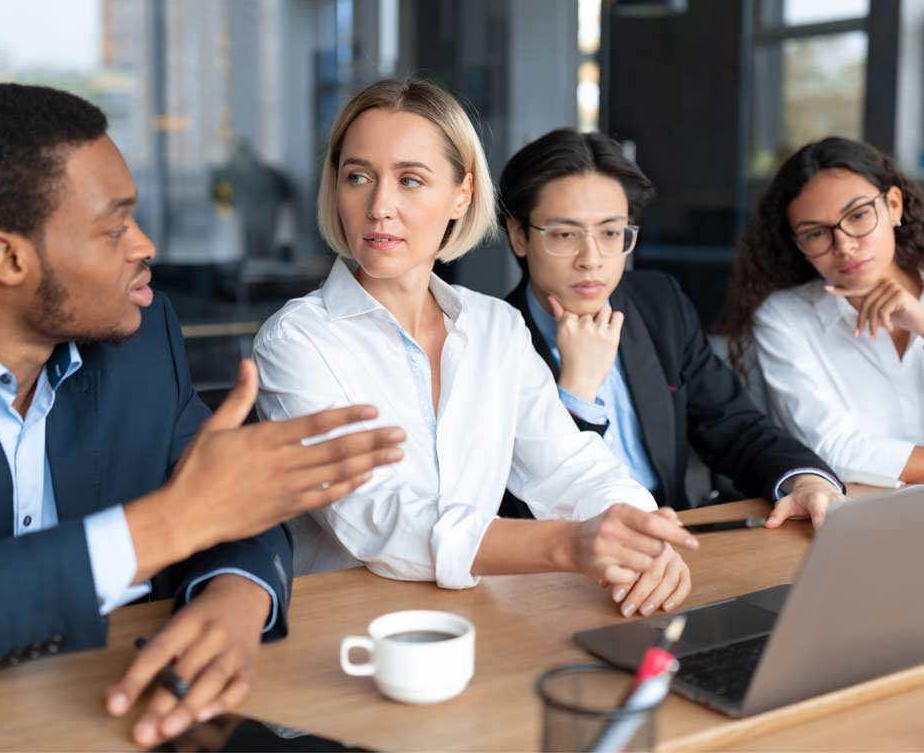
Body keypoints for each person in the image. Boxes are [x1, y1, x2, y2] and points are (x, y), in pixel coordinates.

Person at [0, 84, 404, 747]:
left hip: (125, 714)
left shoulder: (139, 337)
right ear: (7, 258)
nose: (144, 246)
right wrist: (168, 523)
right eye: (114, 228)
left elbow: (222, 490)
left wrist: (234, 600)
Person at [252, 79, 699, 620]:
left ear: (461, 195)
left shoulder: (496, 328)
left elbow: (570, 466)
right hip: (345, 631)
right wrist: (565, 545)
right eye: (358, 177)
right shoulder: (296, 340)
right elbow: (377, 516)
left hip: (476, 618)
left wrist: (642, 533)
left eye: (411, 180)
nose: (379, 207)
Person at [496, 130, 843, 551]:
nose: (592, 258)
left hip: (676, 546)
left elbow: (734, 426)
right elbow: (511, 510)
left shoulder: (658, 305)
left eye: (610, 233)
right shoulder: (489, 342)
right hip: (559, 567)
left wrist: (804, 480)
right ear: (519, 235)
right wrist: (577, 394)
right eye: (565, 235)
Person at [723, 136, 924, 486]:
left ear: (894, 206)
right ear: (798, 245)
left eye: (857, 215)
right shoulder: (785, 318)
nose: (844, 245)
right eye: (815, 234)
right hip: (861, 516)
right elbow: (836, 451)